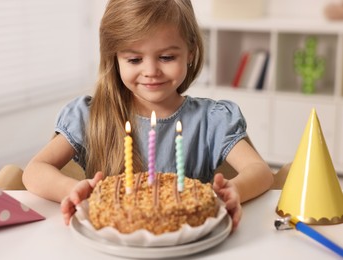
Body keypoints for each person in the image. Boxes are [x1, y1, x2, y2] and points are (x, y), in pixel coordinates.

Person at [22, 0, 274, 230]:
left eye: (166, 57)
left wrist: (235, 190)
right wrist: (72, 189)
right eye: (134, 59)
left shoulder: (212, 119)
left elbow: (260, 171)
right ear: (115, 58)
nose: (151, 71)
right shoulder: (90, 116)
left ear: (191, 52)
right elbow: (34, 171)